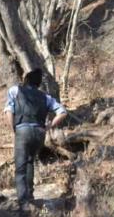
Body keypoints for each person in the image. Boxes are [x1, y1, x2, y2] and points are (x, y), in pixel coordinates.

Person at [4, 68, 67, 209]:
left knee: (20, 166)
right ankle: (30, 195)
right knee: (30, 161)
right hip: (39, 132)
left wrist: (13, 128)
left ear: (26, 80)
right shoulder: (45, 97)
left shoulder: (15, 90)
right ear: (38, 83)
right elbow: (62, 112)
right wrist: (49, 126)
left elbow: (9, 111)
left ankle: (23, 202)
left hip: (22, 130)